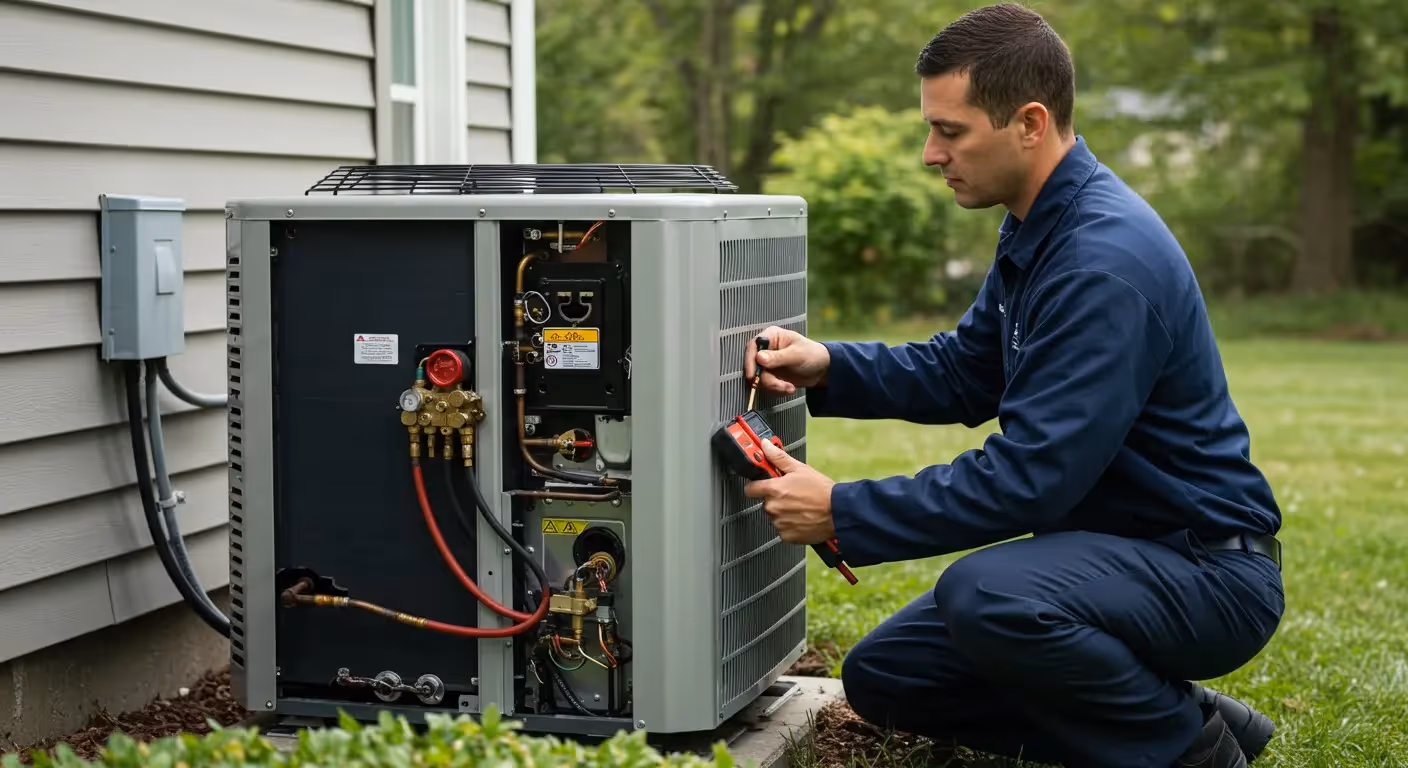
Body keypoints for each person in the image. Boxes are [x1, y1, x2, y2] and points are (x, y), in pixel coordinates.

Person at [741, 4, 1285, 767]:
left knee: (989, 594)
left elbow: (1030, 480)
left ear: (1030, 123)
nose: (932, 153)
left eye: (950, 131)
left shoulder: (1102, 262)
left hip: (1203, 569)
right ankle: (1180, 711)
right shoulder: (1039, 225)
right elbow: (968, 372)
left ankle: (1190, 752)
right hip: (1111, 555)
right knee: (888, 676)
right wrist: (830, 365)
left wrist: (844, 509)